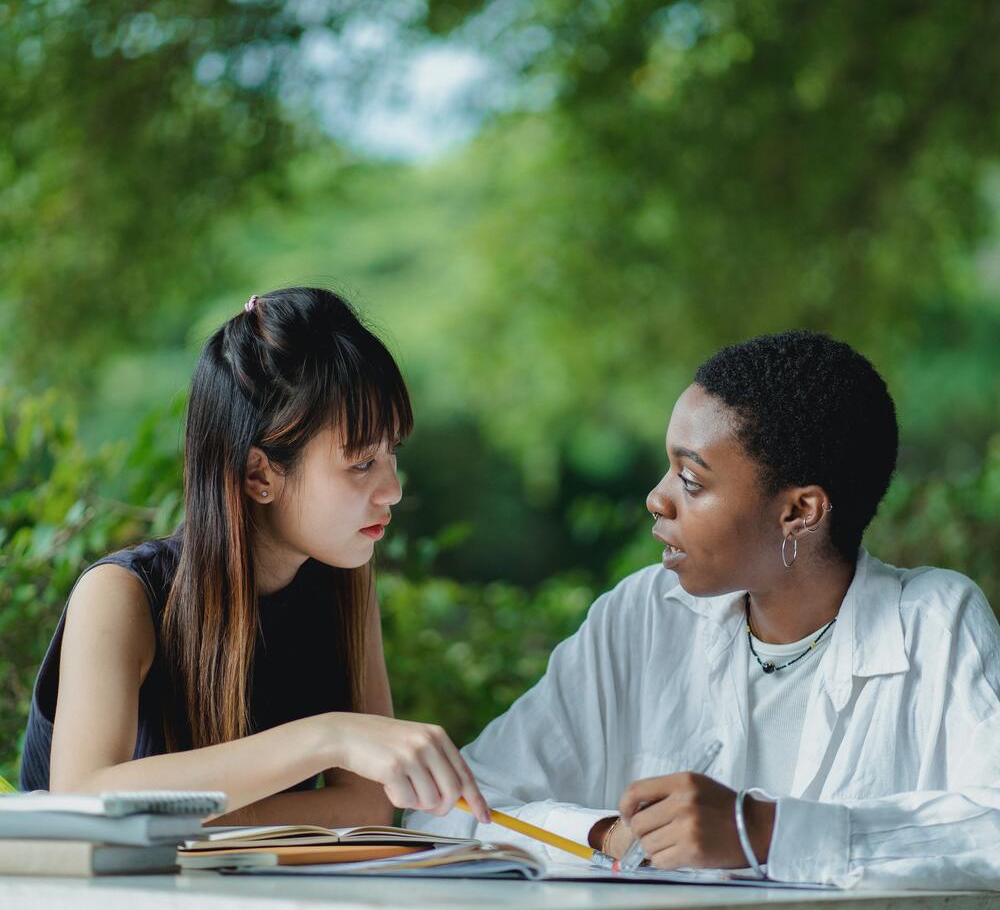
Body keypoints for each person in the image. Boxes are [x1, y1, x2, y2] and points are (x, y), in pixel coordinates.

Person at [407, 330, 1000, 889]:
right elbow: (445, 814)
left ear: (800, 512)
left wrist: (762, 833)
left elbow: (990, 831)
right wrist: (603, 834)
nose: (656, 499)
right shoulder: (641, 617)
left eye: (691, 480)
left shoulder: (933, 624)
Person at [20, 286, 490, 828]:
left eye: (392, 454)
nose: (393, 489)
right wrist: (326, 737)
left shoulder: (342, 584)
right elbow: (82, 799)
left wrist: (181, 816)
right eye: (361, 463)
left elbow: (367, 807)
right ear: (259, 474)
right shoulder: (122, 595)